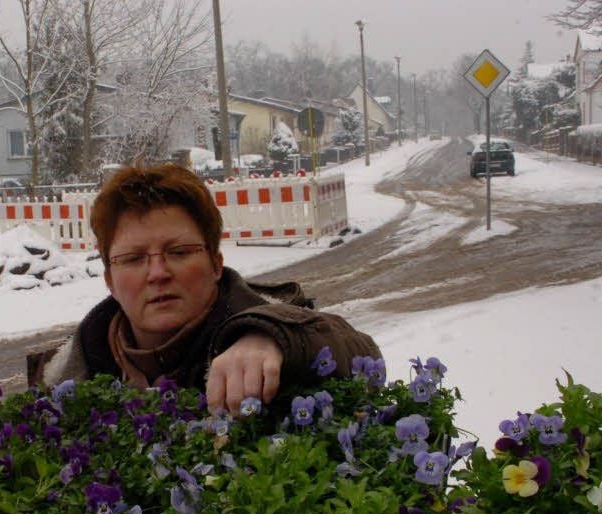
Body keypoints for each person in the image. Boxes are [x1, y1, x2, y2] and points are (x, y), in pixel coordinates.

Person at [32, 163, 380, 416]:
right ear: (109, 280)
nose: (157, 273)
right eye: (134, 258)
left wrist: (274, 337)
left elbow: (364, 354)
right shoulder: (62, 377)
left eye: (179, 253)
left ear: (216, 264)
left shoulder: (276, 329)